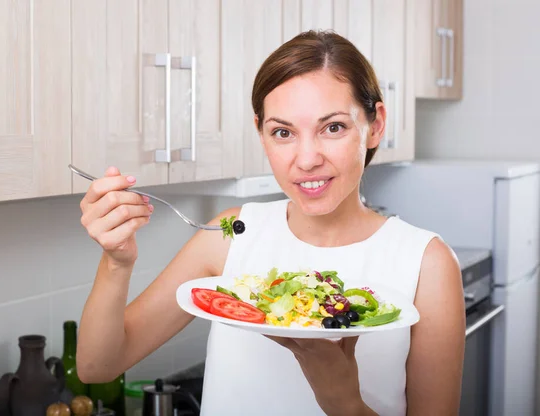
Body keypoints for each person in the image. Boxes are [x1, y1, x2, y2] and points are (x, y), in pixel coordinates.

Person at [75, 30, 465, 416]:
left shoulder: (426, 263)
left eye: (333, 128)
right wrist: (116, 261)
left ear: (375, 124)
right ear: (261, 134)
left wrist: (345, 405)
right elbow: (98, 366)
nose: (307, 158)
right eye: (283, 132)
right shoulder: (232, 234)